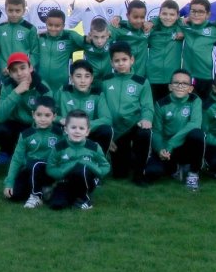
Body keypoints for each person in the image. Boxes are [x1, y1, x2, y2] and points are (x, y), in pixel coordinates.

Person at [101, 41, 155, 186]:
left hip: (133, 126)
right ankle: (127, 159)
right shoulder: (106, 81)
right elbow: (101, 108)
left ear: (132, 60)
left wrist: (146, 119)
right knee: (119, 174)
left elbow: (147, 106)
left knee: (145, 132)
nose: (121, 64)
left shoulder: (141, 82)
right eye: (116, 61)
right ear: (111, 63)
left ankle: (139, 173)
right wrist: (108, 136)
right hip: (116, 131)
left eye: (124, 60)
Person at [145, 70, 204, 190]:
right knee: (151, 173)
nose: (180, 86)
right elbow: (156, 131)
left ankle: (193, 173)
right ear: (170, 87)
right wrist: (161, 149)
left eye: (184, 83)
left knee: (197, 134)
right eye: (176, 83)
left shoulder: (195, 100)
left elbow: (194, 124)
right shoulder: (161, 104)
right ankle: (175, 168)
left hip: (183, 146)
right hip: (167, 149)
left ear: (190, 88)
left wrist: (170, 144)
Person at [3, 96, 62, 208]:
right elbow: (17, 159)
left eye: (47, 115)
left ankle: (37, 196)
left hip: (48, 171)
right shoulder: (26, 135)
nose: (42, 119)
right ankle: (44, 190)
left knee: (37, 164)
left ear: (54, 116)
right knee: (13, 195)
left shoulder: (59, 134)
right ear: (33, 114)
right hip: (29, 171)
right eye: (39, 115)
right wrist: (9, 182)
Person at [46, 110, 110, 211]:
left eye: (81, 128)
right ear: (66, 129)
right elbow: (50, 168)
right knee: (57, 205)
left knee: (82, 168)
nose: (77, 131)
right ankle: (67, 196)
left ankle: (85, 199)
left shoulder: (94, 147)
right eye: (73, 127)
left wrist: (90, 166)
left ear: (87, 131)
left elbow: (105, 166)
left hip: (85, 180)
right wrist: (68, 167)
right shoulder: (59, 147)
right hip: (65, 181)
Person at [0, 53, 51, 161]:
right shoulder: (8, 86)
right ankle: (7, 151)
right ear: (9, 73)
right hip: (15, 125)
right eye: (14, 70)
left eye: (23, 68)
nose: (19, 73)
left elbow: (49, 118)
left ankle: (30, 152)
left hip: (35, 126)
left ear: (31, 68)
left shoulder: (42, 88)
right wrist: (16, 92)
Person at [181, 0, 216, 101]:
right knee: (191, 106)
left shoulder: (213, 30)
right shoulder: (185, 28)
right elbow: (168, 20)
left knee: (208, 108)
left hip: (208, 77)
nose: (196, 14)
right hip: (189, 77)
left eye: (200, 12)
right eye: (193, 11)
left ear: (208, 15)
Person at [54, 60, 109, 149]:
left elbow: (107, 119)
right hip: (68, 133)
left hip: (88, 133)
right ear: (71, 78)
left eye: (87, 76)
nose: (83, 81)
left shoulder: (97, 94)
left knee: (106, 130)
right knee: (54, 126)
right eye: (78, 76)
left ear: (91, 79)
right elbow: (50, 114)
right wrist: (60, 119)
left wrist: (85, 125)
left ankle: (99, 158)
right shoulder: (63, 91)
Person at [0, 0, 40, 81]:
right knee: (5, 94)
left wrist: (27, 67)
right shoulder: (0, 29)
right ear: (5, 9)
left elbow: (35, 52)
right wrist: (3, 66)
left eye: (18, 11)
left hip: (23, 74)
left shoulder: (30, 29)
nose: (14, 14)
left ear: (24, 11)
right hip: (6, 73)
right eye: (10, 10)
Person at [36, 9, 85, 93]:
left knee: (60, 105)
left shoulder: (69, 38)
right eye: (50, 25)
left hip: (61, 85)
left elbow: (87, 44)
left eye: (57, 26)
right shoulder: (40, 38)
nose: (53, 28)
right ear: (46, 24)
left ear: (63, 26)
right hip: (41, 83)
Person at [146, 0, 185, 102]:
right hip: (152, 77)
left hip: (172, 79)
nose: (168, 17)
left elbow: (193, 22)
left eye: (172, 14)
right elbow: (133, 24)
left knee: (169, 109)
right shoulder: (152, 29)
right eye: (164, 14)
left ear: (177, 16)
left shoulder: (181, 29)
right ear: (159, 14)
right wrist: (152, 22)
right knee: (154, 107)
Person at [109, 0, 150, 77]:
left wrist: (152, 22)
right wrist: (117, 18)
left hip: (142, 76)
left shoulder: (146, 29)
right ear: (127, 16)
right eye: (135, 17)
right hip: (124, 76)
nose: (139, 21)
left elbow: (161, 22)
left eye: (142, 17)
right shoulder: (120, 28)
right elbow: (105, 34)